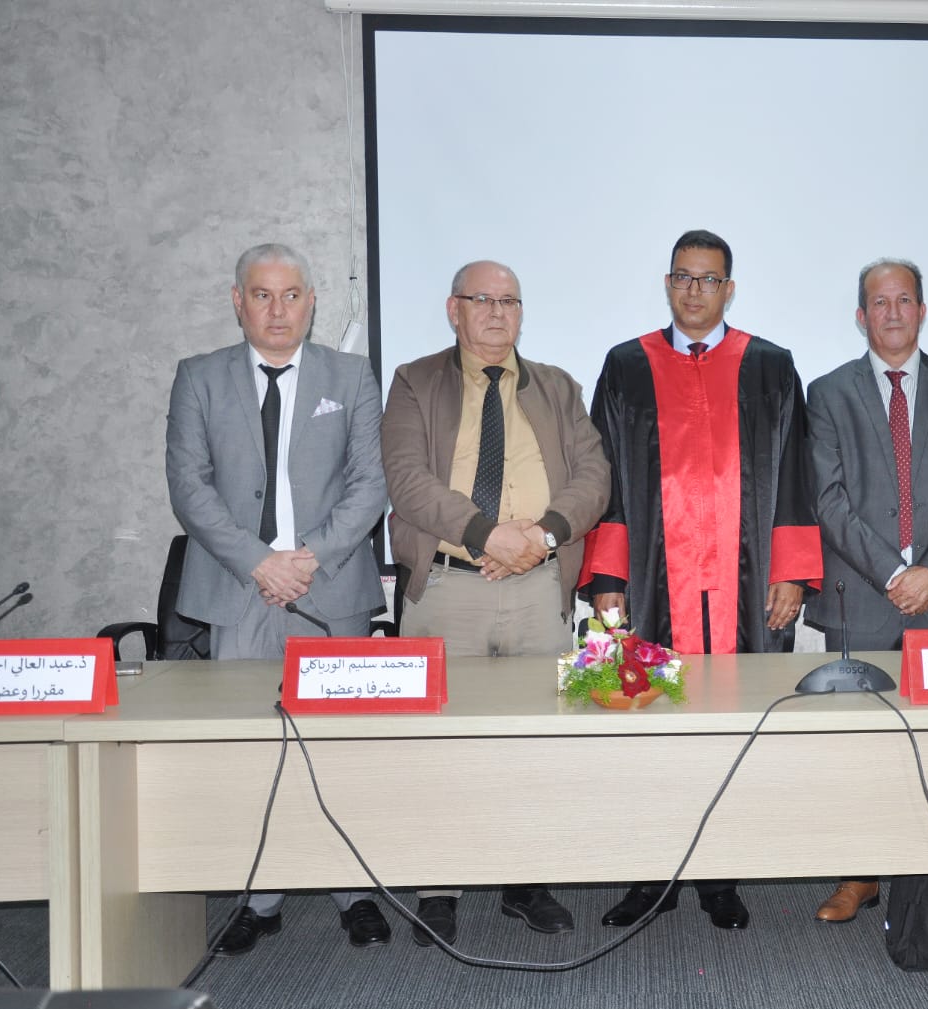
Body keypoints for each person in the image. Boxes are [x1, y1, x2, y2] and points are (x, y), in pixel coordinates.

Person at [581, 228, 822, 930]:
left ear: (729, 288)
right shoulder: (627, 365)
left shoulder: (770, 365)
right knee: (640, 718)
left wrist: (791, 574)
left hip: (748, 584)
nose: (695, 290)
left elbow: (796, 474)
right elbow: (604, 477)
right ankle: (647, 875)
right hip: (650, 583)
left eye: (708, 279)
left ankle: (721, 876)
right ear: (667, 283)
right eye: (683, 277)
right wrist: (607, 576)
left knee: (737, 725)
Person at [165, 243, 391, 953]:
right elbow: (189, 488)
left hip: (331, 589)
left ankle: (355, 892)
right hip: (240, 592)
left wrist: (308, 559)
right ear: (237, 302)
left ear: (312, 302)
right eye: (261, 295)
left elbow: (371, 484)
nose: (277, 309)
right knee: (251, 750)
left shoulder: (351, 376)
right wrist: (259, 563)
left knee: (340, 749)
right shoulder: (198, 377)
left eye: (291, 295)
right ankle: (258, 899)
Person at [380, 260, 610, 943]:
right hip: (449, 588)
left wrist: (542, 536)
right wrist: (487, 534)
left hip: (538, 588)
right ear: (454, 309)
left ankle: (525, 880)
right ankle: (439, 887)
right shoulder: (415, 382)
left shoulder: (558, 387)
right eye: (482, 299)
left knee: (539, 743)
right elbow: (406, 479)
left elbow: (595, 476)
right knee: (438, 746)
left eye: (509, 301)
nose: (497, 312)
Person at [804, 259, 928, 922]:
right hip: (862, 600)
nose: (892, 312)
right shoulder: (828, 393)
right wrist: (894, 574)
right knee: (858, 750)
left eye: (904, 299)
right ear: (861, 316)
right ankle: (858, 874)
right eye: (879, 302)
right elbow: (828, 499)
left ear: (922, 310)